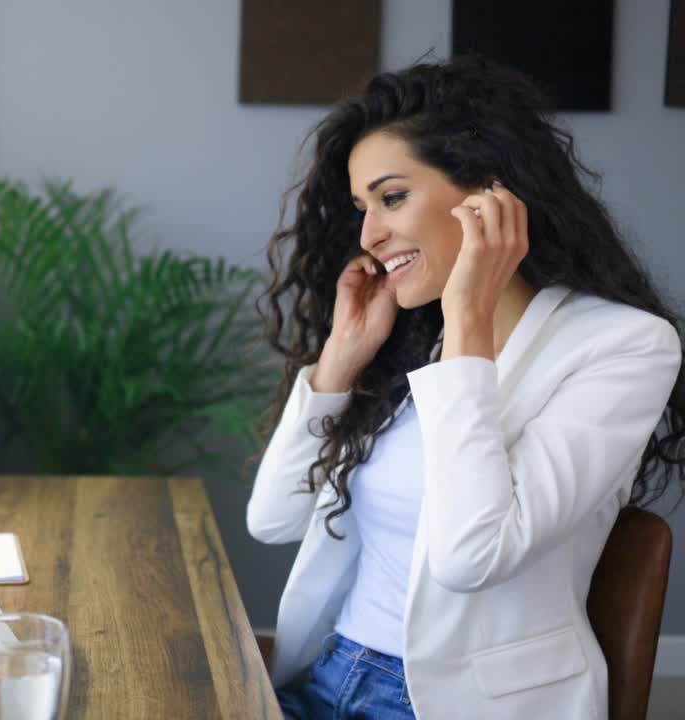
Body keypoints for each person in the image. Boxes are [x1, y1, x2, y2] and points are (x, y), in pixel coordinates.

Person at [248, 55, 685, 719]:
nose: (369, 234)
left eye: (392, 198)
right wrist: (341, 358)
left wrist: (470, 318)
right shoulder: (407, 341)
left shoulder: (624, 346)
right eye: (362, 207)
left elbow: (470, 554)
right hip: (329, 676)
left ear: (489, 194)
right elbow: (272, 518)